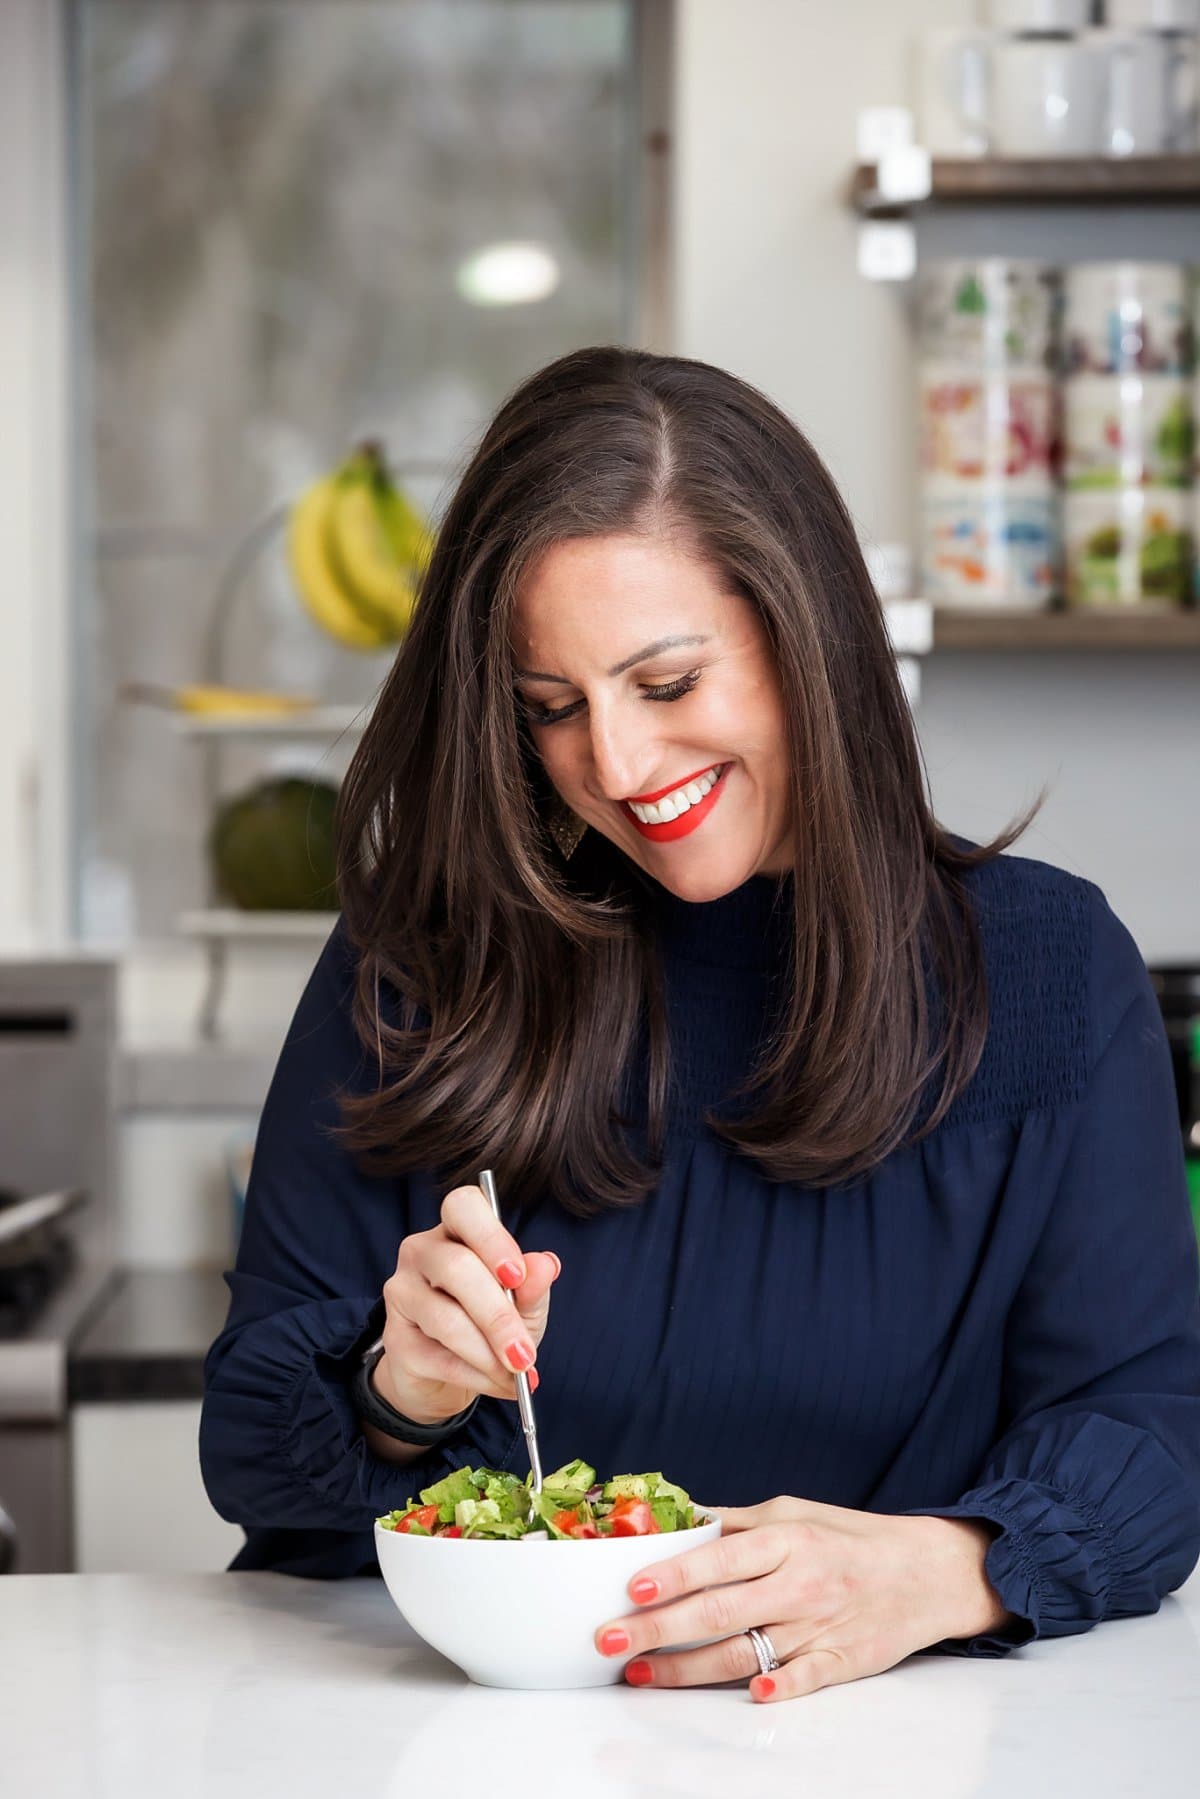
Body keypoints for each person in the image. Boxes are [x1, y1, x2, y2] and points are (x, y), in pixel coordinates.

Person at [200, 345, 1200, 1704]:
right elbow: (254, 1465)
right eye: (552, 708)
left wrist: (952, 1566)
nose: (613, 766)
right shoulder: (419, 962)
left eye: (664, 685)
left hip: (883, 1753)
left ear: (811, 636)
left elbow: (1150, 1427)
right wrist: (397, 1391)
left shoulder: (1044, 967)